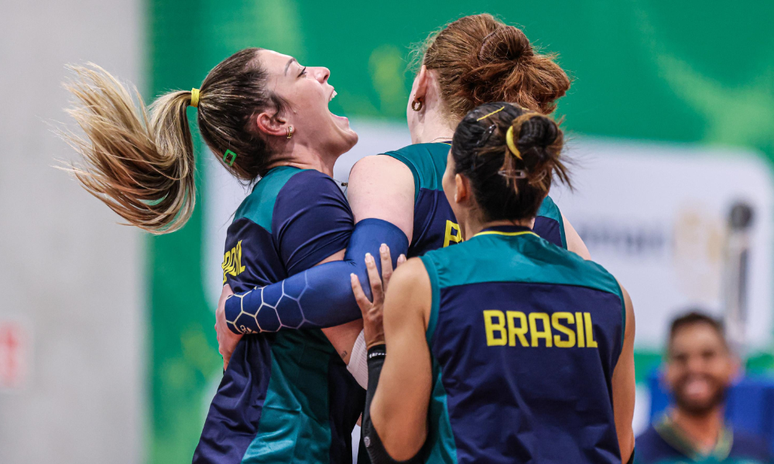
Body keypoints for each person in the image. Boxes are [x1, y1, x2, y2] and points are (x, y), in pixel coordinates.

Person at [218, 14, 591, 390]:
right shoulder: (553, 217)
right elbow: (599, 336)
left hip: (433, 431)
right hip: (530, 434)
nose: (321, 73)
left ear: (422, 85)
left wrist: (239, 308)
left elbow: (360, 289)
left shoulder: (391, 173)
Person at [62, 48, 387, 463]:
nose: (322, 71)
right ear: (275, 121)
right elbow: (347, 292)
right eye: (300, 72)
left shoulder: (259, 205)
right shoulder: (306, 192)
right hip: (281, 451)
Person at [352, 102, 637, 464]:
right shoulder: (612, 295)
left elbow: (396, 444)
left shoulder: (424, 282)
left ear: (460, 187)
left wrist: (378, 345)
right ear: (541, 189)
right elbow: (622, 445)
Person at [635, 312, 773, 464]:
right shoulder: (639, 455)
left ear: (732, 367)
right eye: (681, 357)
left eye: (708, 355)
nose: (695, 368)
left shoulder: (756, 453)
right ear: (664, 372)